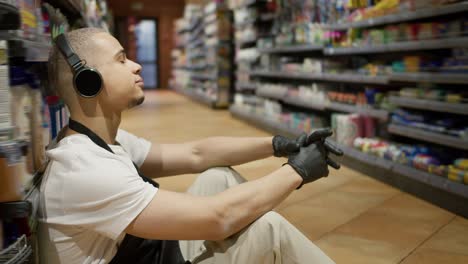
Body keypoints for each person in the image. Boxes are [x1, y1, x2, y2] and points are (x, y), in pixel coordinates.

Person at [37, 27, 343, 264]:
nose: (137, 65)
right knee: (268, 230)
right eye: (121, 60)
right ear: (88, 82)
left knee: (217, 176)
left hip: (149, 254)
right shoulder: (83, 169)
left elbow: (195, 154)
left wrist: (278, 145)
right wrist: (297, 171)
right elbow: (217, 219)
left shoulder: (97, 140)